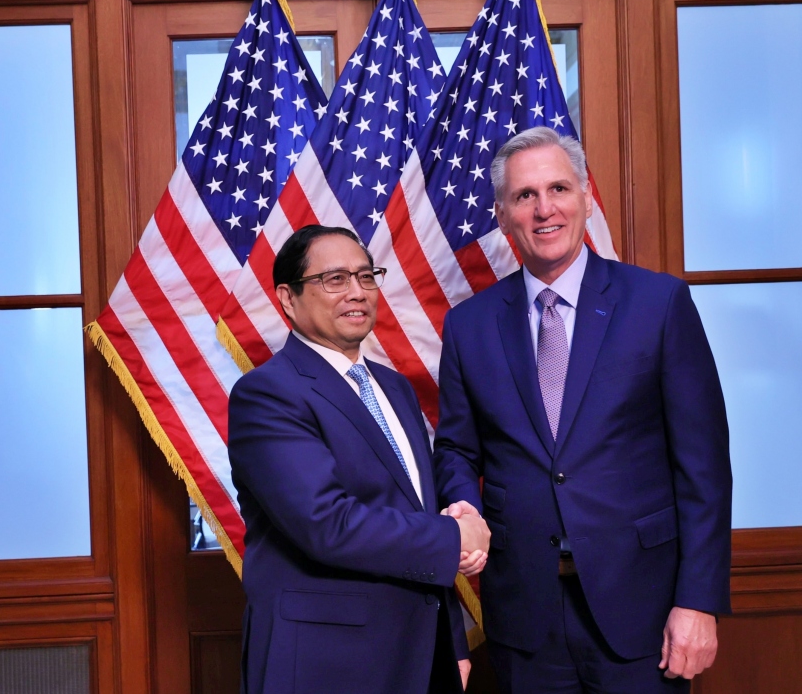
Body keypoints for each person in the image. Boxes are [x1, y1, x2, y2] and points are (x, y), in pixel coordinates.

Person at [433, 127, 732, 693]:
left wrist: (698, 600)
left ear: (586, 199)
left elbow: (704, 469)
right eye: (525, 195)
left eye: (559, 189)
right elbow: (455, 447)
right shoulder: (469, 325)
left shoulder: (658, 304)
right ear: (502, 215)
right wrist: (464, 504)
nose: (544, 209)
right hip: (525, 615)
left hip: (644, 610)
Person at [228, 225, 490, 694]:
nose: (357, 292)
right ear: (288, 298)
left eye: (366, 276)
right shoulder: (267, 394)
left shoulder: (395, 388)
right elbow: (326, 523)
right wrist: (454, 537)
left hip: (420, 655)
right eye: (335, 279)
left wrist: (452, 641)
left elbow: (417, 511)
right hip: (326, 662)